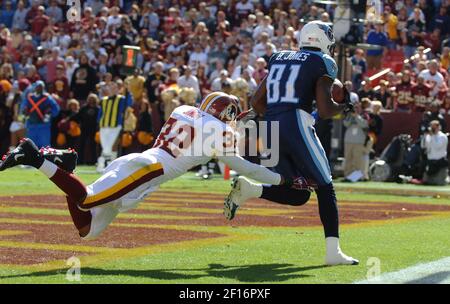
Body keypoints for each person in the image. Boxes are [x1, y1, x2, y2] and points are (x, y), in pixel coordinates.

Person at [0, 93, 300, 241]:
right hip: (147, 169)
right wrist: (282, 179)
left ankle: (64, 164)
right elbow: (245, 167)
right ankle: (35, 156)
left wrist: (232, 127)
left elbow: (205, 129)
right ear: (226, 115)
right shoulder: (219, 131)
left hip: (142, 166)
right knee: (87, 199)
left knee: (87, 230)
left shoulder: (184, 109)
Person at [224, 21, 358, 265]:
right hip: (296, 122)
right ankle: (333, 253)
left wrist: (278, 116)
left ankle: (251, 189)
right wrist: (346, 107)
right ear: (325, 40)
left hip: (270, 126)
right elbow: (326, 110)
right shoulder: (323, 62)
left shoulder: (278, 56)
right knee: (325, 186)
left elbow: (256, 101)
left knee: (298, 194)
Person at [96, 82, 133, 172]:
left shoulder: (121, 99)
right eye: (110, 88)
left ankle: (105, 164)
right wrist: (99, 122)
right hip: (104, 126)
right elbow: (101, 113)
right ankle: (108, 164)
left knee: (110, 145)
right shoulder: (104, 100)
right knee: (105, 145)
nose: (112, 89)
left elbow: (129, 103)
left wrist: (127, 91)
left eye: (114, 88)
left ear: (117, 89)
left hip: (115, 126)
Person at [19, 81, 60, 148]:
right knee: (31, 147)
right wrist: (24, 114)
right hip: (31, 125)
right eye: (38, 87)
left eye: (41, 87)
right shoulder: (29, 98)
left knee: (45, 147)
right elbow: (22, 109)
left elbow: (56, 109)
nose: (39, 89)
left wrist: (49, 114)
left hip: (43, 126)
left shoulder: (47, 98)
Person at [421, 120, 449, 185]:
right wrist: (425, 136)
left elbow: (437, 146)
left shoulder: (442, 136)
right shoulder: (429, 136)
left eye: (434, 127)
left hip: (439, 162)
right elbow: (423, 146)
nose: (432, 129)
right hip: (430, 162)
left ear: (438, 127)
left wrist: (432, 136)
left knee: (439, 183)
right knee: (427, 182)